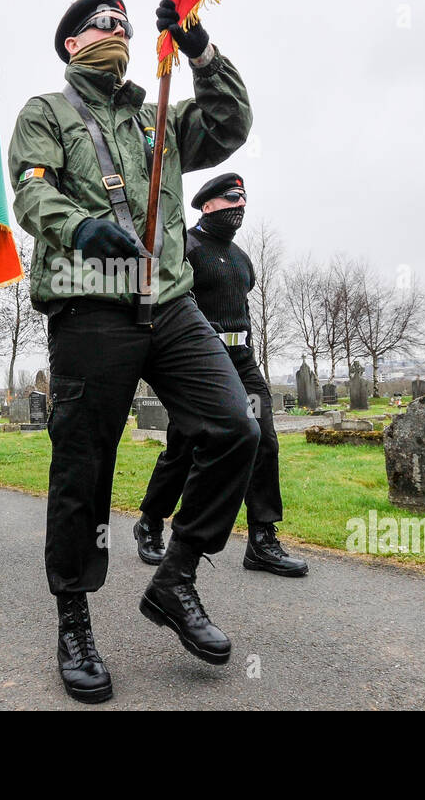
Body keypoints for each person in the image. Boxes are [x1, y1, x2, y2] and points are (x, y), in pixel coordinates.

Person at [8, 0, 256, 703]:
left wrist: (198, 46)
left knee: (236, 425)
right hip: (92, 304)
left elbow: (231, 122)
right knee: (83, 468)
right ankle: (75, 619)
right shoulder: (46, 113)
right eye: (99, 22)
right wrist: (79, 226)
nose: (115, 29)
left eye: (123, 21)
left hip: (170, 300)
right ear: (70, 45)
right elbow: (31, 192)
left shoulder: (162, 114)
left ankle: (176, 579)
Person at [134, 173, 308, 578]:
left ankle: (262, 539)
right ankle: (150, 522)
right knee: (185, 448)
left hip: (242, 358)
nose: (240, 206)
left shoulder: (243, 259)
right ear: (207, 204)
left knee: (263, 439)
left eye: (245, 199)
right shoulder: (187, 248)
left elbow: (243, 311)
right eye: (232, 198)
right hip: (200, 362)